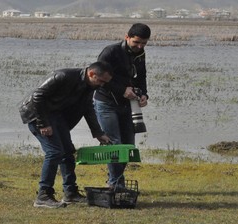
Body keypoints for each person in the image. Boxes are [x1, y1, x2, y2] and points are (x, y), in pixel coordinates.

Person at [19, 61, 113, 208]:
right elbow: (38, 96)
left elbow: (88, 108)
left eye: (105, 82)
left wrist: (98, 133)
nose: (102, 85)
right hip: (37, 115)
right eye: (101, 81)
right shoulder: (63, 76)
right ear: (91, 74)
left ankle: (70, 193)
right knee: (54, 152)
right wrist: (43, 124)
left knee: (68, 152)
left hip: (56, 115)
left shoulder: (90, 85)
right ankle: (43, 195)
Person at [93, 23, 151, 188]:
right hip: (106, 103)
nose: (139, 46)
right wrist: (121, 90)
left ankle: (116, 179)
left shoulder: (140, 54)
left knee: (128, 145)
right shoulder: (110, 52)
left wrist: (145, 94)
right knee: (114, 143)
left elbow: (141, 77)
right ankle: (115, 183)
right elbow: (98, 78)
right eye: (136, 42)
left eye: (144, 43)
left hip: (128, 104)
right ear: (127, 37)